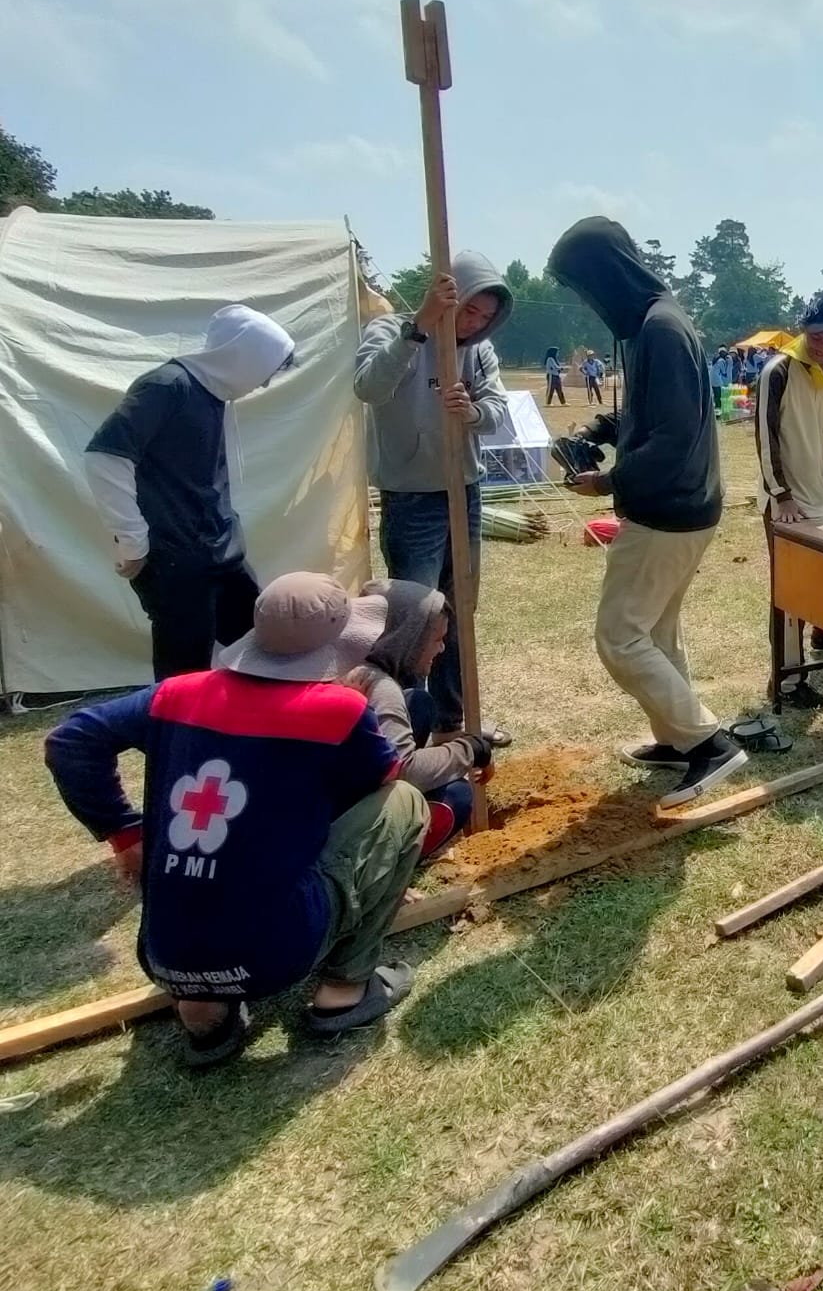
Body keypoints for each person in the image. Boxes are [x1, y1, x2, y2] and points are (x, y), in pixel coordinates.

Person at [44, 573, 428, 1067]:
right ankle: (345, 989)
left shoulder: (175, 694)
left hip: (165, 958)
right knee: (403, 802)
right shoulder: (338, 709)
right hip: (280, 954)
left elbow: (70, 742)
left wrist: (122, 831)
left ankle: (205, 1013)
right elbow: (384, 775)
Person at [547, 217, 742, 805]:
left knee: (620, 637)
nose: (589, 303)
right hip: (685, 505)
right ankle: (678, 738)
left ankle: (708, 744)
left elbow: (673, 436)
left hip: (667, 508)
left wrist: (610, 480)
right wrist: (596, 429)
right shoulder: (657, 323)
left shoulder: (660, 329)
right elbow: (648, 415)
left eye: (586, 288)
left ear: (608, 276)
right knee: (656, 631)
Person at [84, 305, 297, 681]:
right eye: (265, 371)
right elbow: (105, 457)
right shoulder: (167, 386)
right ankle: (175, 723)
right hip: (176, 562)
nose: (263, 384)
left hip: (220, 553)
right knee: (185, 678)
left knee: (266, 647)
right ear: (244, 356)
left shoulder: (212, 394)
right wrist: (132, 540)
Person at [354, 256, 514, 745]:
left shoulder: (479, 351)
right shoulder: (390, 330)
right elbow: (369, 387)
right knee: (415, 617)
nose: (475, 324)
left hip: (463, 490)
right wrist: (418, 329)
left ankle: (452, 722)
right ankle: (405, 729)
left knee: (459, 610)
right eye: (470, 311)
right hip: (412, 497)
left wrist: (473, 412)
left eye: (486, 317)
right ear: (449, 298)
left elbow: (497, 411)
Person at [755, 290, 823, 705]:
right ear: (803, 330)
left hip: (820, 497)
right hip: (785, 503)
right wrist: (781, 495)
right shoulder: (778, 370)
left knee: (822, 581)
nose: (822, 346)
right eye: (816, 337)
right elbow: (765, 437)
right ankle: (786, 682)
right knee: (789, 595)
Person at [346, 578, 495, 862]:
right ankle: (382, 858)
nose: (441, 649)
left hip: (344, 782)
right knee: (457, 797)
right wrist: (472, 749)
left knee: (418, 703)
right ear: (407, 638)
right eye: (436, 639)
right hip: (344, 820)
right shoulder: (380, 688)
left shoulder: (350, 662)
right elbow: (406, 769)